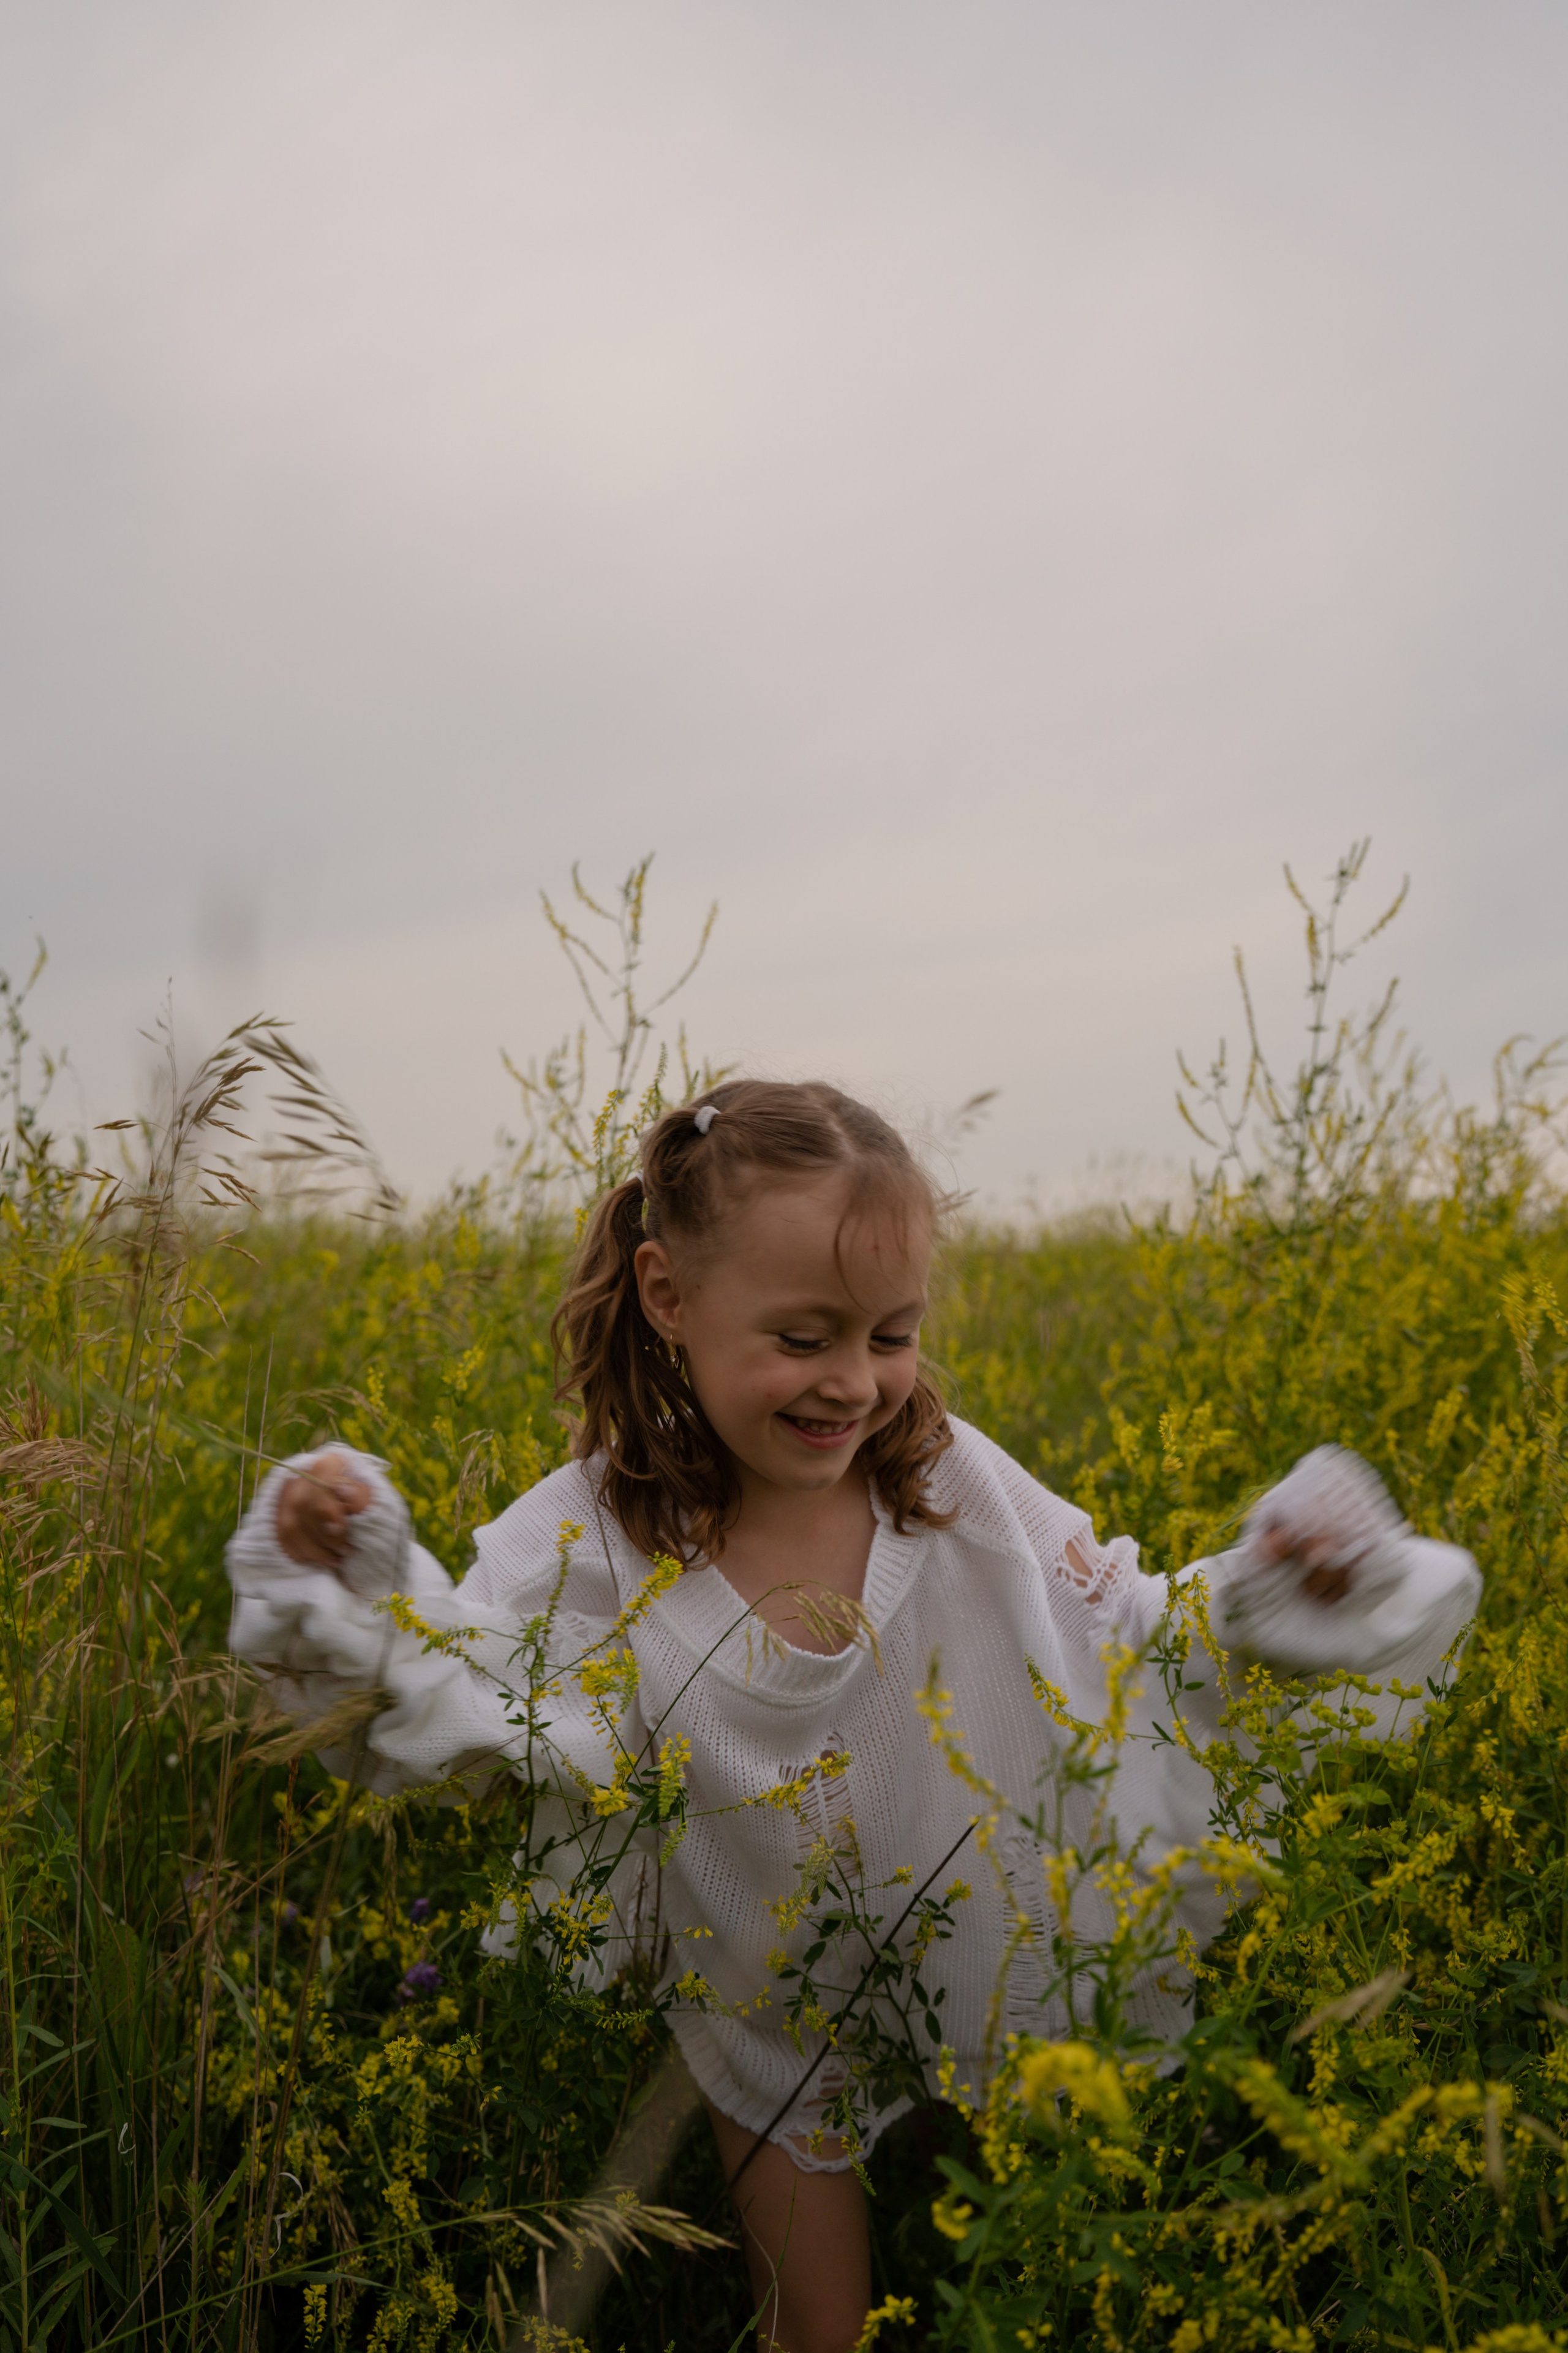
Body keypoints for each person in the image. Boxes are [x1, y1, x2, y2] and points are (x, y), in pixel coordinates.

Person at [227, 1080, 1480, 2353]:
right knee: (814, 2332)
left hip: (989, 1945)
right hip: (759, 2014)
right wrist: (344, 1569)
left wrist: (1279, 1586)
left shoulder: (945, 1486)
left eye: (889, 1335)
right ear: (668, 1295)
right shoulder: (591, 1538)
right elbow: (460, 1687)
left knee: (1038, 2271)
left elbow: (1126, 1636)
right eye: (802, 1336)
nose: (851, 1382)